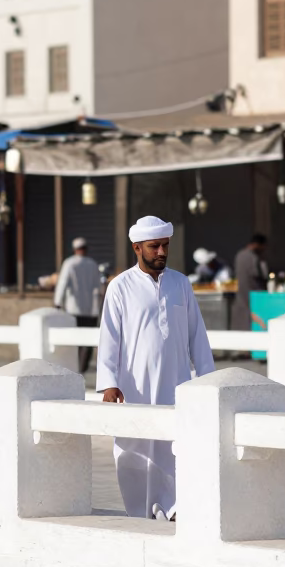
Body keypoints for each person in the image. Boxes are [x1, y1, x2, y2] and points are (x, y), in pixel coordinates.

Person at [98, 215, 216, 521]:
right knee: (132, 450)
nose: (161, 252)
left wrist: (208, 380)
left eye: (165, 245)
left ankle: (173, 506)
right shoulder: (120, 287)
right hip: (133, 386)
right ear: (137, 248)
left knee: (173, 447)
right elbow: (109, 337)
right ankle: (139, 512)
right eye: (154, 246)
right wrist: (109, 382)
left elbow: (197, 335)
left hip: (176, 384)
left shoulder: (181, 283)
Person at [54, 237, 101, 372]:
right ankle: (82, 369)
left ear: (75, 249)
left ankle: (74, 369)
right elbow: (99, 287)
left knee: (74, 340)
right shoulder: (92, 264)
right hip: (90, 310)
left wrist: (57, 302)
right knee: (86, 341)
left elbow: (62, 284)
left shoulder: (69, 263)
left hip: (73, 308)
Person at [230, 234, 268, 332]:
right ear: (258, 244)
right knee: (251, 320)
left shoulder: (239, 254)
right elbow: (261, 275)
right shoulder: (254, 257)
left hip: (241, 293)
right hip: (253, 294)